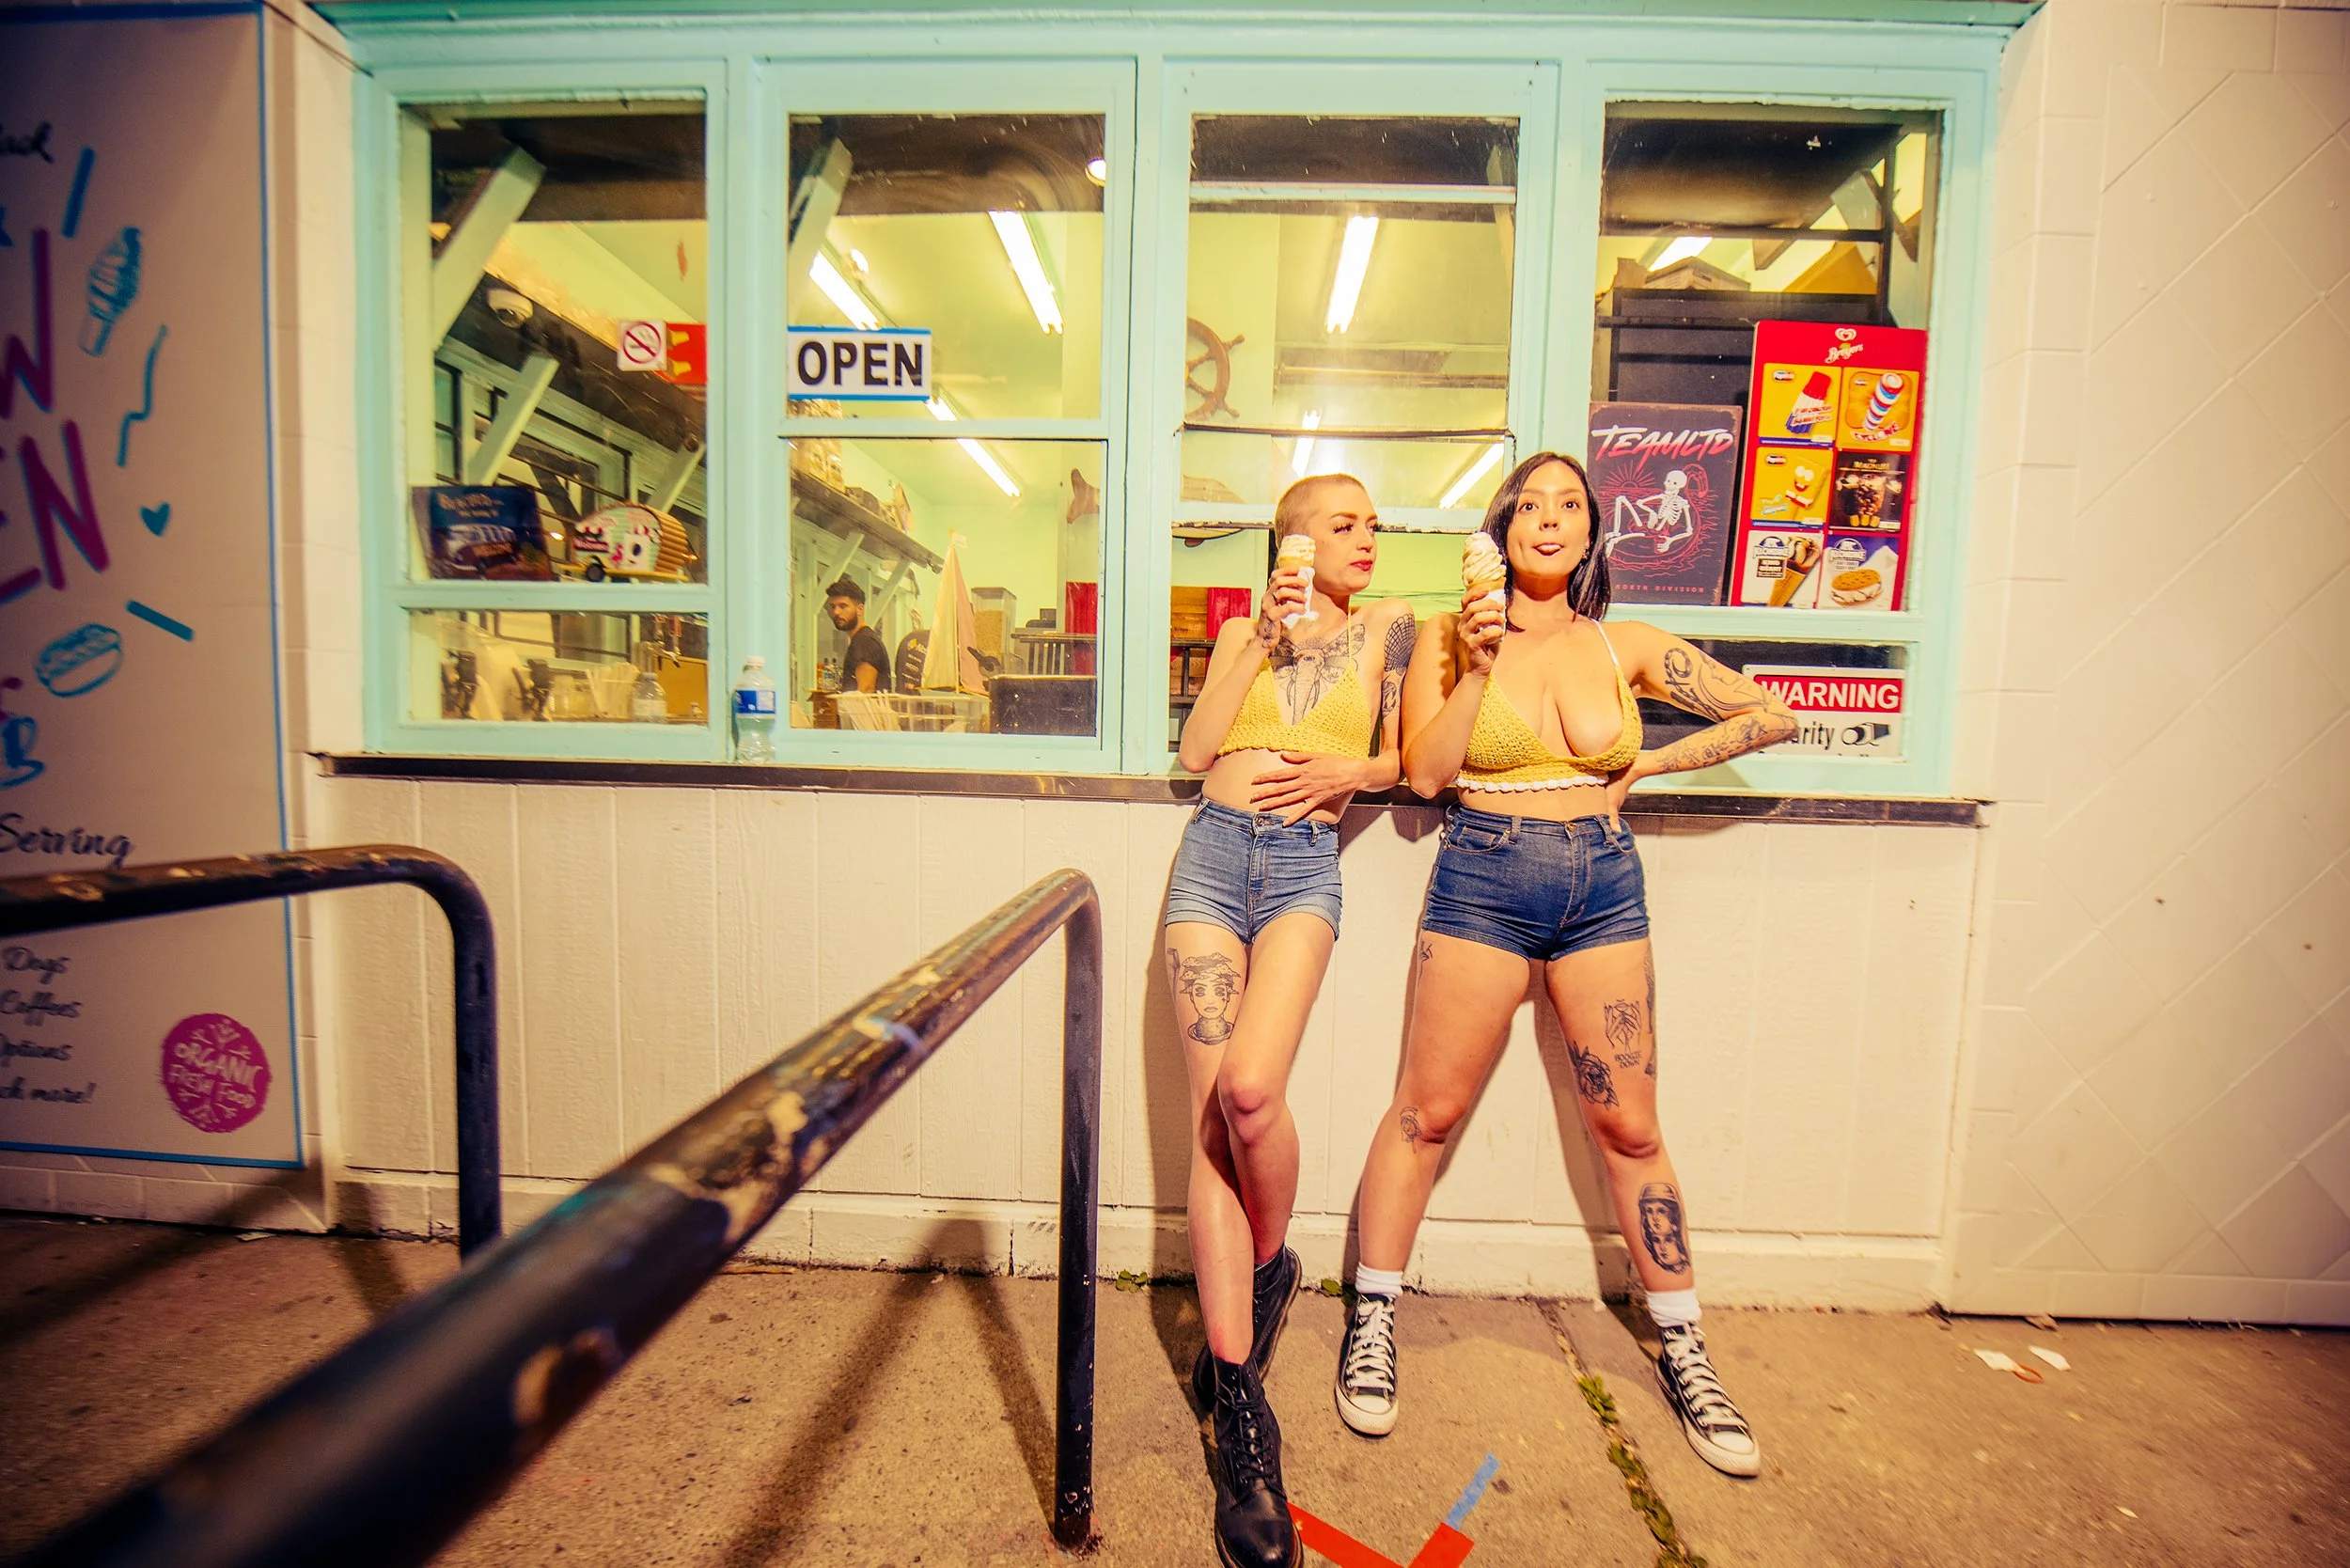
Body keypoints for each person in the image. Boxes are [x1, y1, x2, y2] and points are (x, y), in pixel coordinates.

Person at [1332, 452, 1796, 1481]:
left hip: (1603, 888)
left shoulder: (1620, 644)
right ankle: (1372, 1319)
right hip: (1481, 881)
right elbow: (1425, 774)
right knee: (1425, 1114)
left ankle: (1684, 1347)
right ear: (1500, 531)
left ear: (1590, 533)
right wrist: (1485, 662)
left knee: (1628, 1126)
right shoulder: (1450, 638)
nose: (1549, 519)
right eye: (1528, 505)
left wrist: (1643, 765)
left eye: (1569, 506)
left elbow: (1768, 714)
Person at [1166, 473, 1416, 1568]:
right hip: (1210, 867)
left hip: (1306, 871)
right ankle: (1242, 1420)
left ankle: (1268, 1264)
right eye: (1344, 523)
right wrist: (1260, 644)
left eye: (1372, 523)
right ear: (1291, 542)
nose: (1369, 538)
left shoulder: (1393, 632)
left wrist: (1353, 768)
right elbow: (1195, 751)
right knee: (1208, 1122)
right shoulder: (1243, 630)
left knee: (1252, 1092)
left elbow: (1408, 764)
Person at [824, 577, 890, 694]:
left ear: (860, 609)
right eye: (833, 607)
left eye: (843, 606)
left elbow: (865, 692)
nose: (836, 612)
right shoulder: (861, 639)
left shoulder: (864, 642)